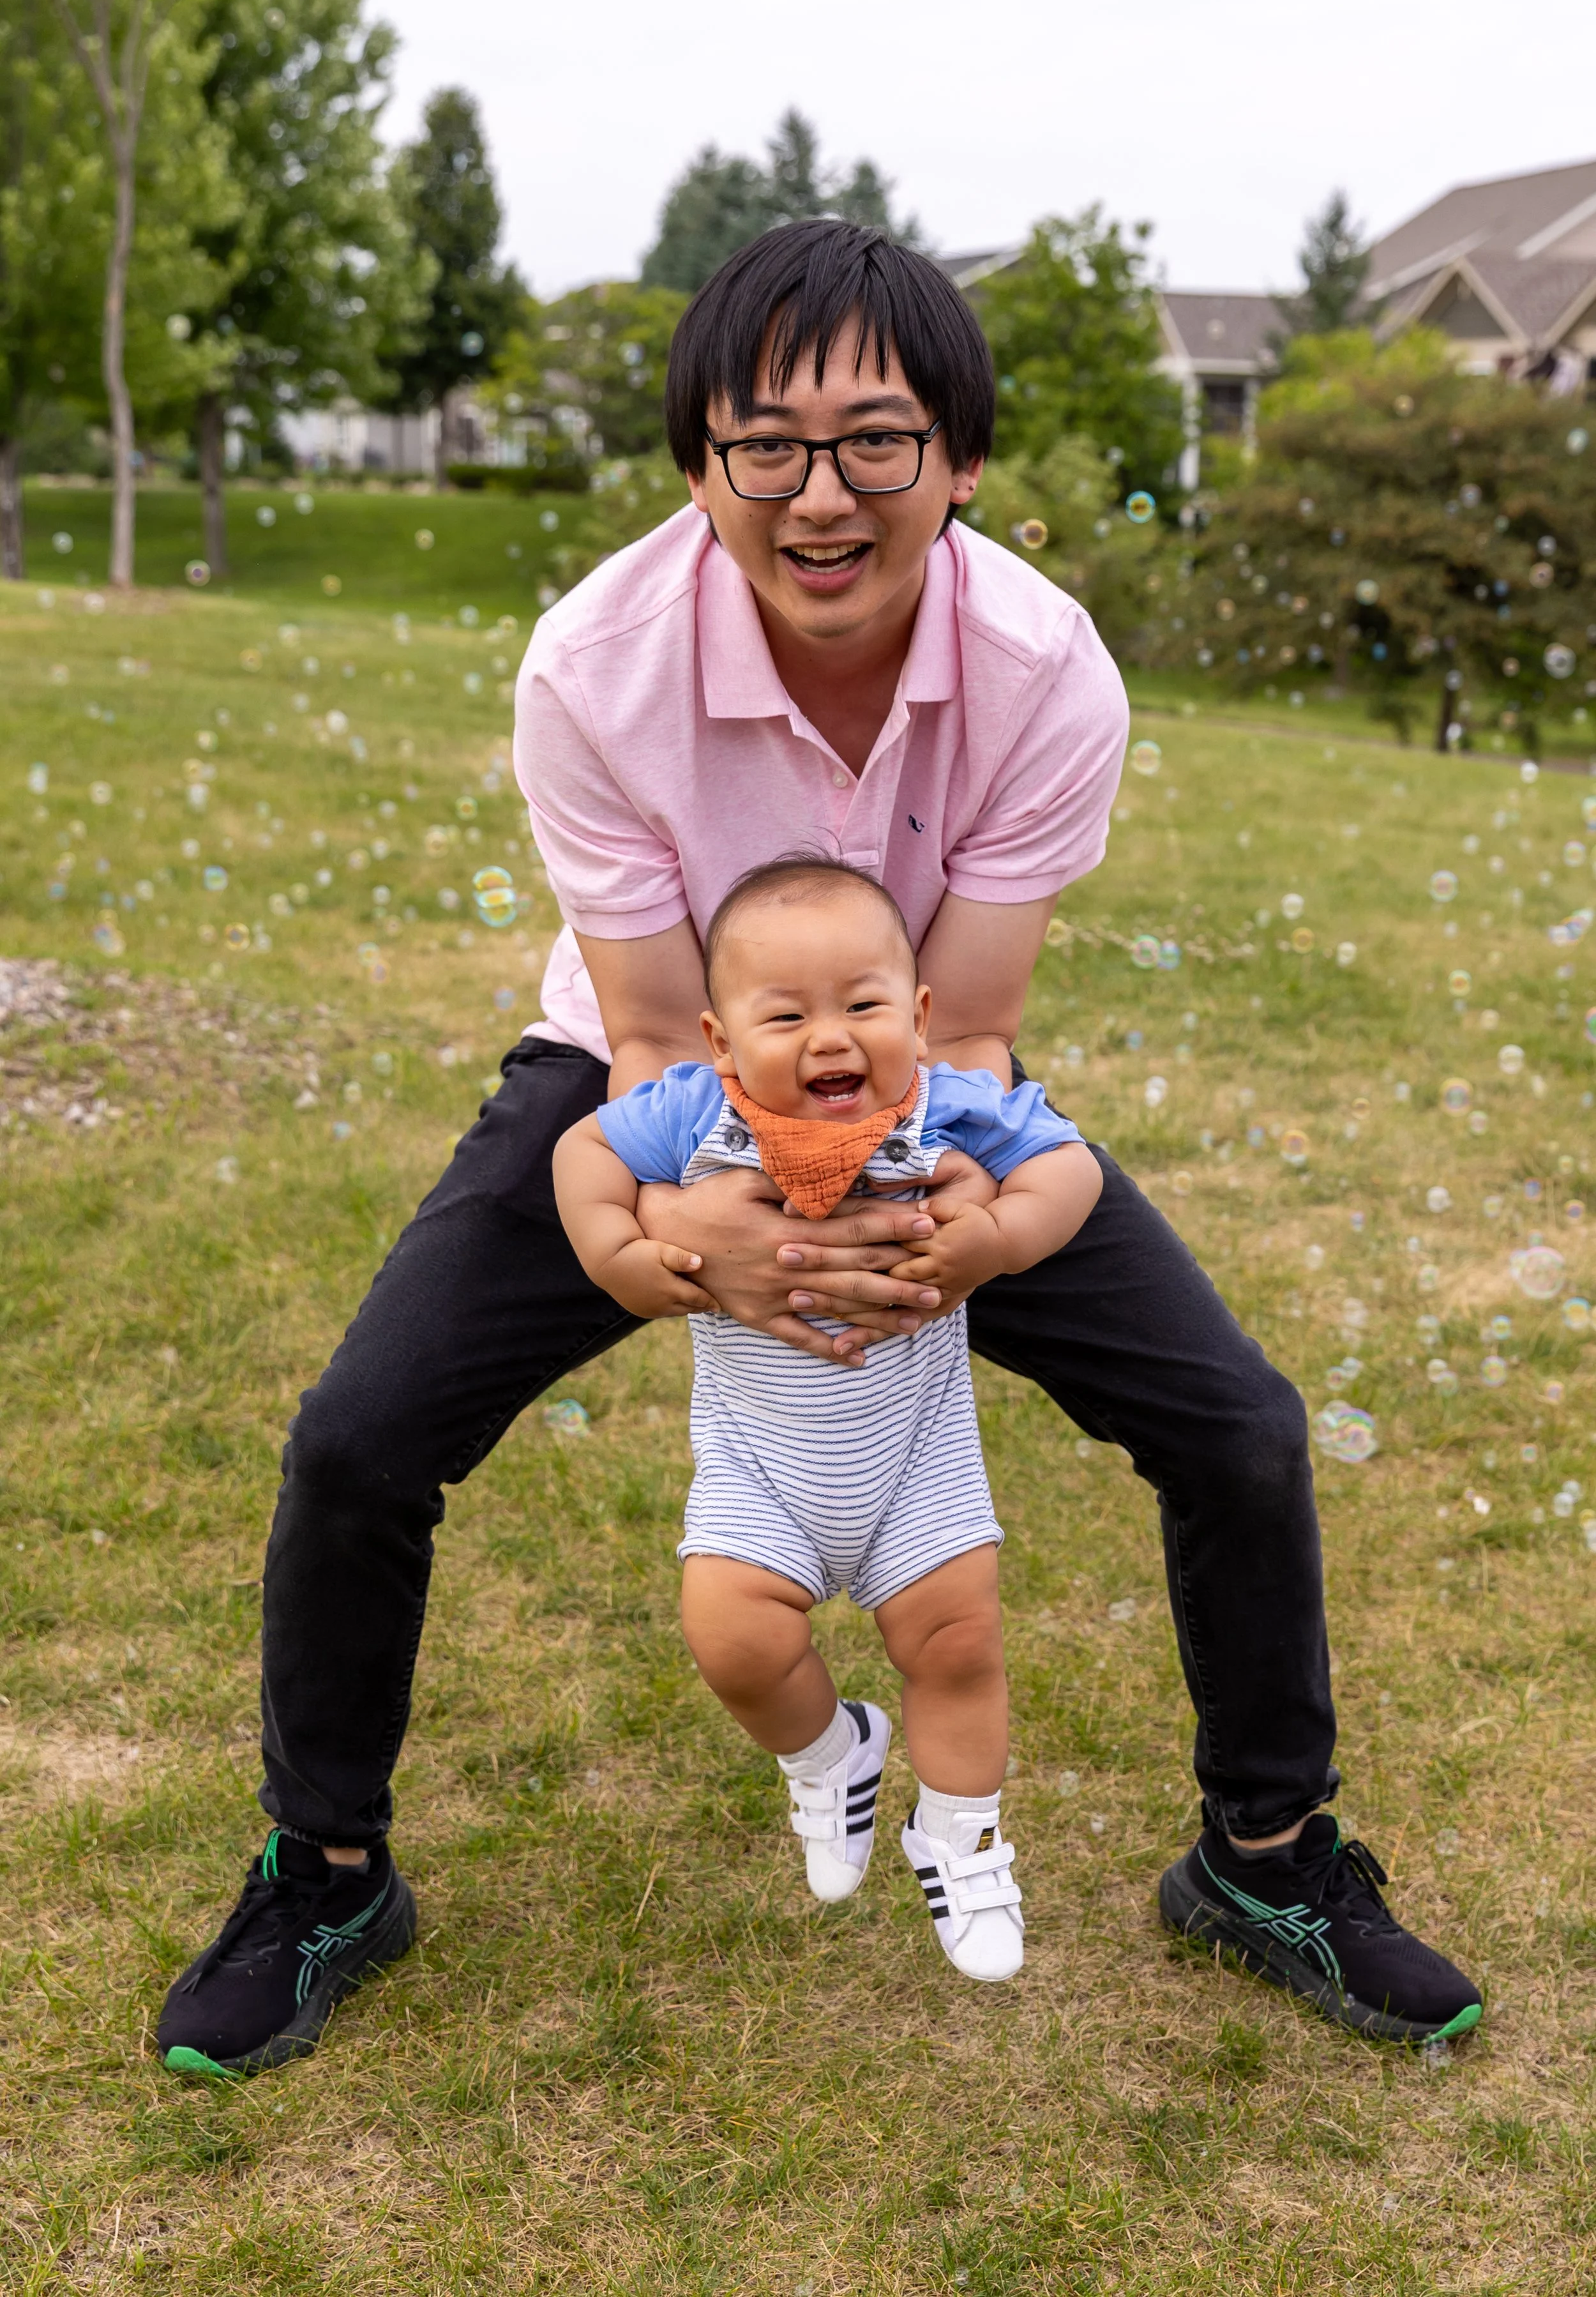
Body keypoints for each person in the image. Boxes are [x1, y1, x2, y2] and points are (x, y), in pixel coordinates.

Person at [156, 218, 1481, 2080]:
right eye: (761, 445)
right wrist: (708, 1233)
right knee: (359, 1435)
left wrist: (963, 1229)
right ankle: (327, 1866)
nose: (820, 492)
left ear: (957, 457)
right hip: (656, 1078)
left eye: (876, 439)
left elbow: (971, 1015)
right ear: (699, 463)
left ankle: (1262, 1856)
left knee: (1239, 1425)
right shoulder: (593, 665)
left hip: (921, 1075)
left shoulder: (1046, 669)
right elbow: (633, 1032)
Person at [554, 856, 1103, 1982]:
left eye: (863, 1004)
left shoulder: (948, 1106)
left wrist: (999, 1237)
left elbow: (1069, 1164)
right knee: (733, 1638)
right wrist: (619, 1255)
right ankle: (831, 1751)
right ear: (720, 1037)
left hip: (917, 1465)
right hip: (763, 1465)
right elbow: (582, 1152)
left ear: (920, 1015)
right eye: (787, 1014)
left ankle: (963, 1842)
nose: (830, 1038)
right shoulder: (694, 1115)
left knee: (958, 1647)